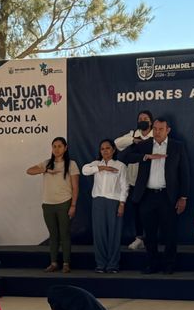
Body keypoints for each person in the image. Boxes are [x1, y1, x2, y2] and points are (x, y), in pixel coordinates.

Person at [119, 118, 190, 274]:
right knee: (149, 233)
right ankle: (152, 264)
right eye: (155, 129)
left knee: (170, 232)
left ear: (168, 130)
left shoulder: (177, 146)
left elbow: (184, 173)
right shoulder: (144, 145)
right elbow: (124, 157)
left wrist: (183, 197)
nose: (157, 132)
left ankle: (169, 264)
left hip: (167, 195)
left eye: (161, 129)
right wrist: (145, 157)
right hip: (147, 195)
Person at [26, 137, 81, 273]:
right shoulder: (47, 163)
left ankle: (66, 263)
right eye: (54, 146)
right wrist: (44, 170)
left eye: (59, 146)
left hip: (64, 202)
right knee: (53, 234)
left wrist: (73, 205)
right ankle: (54, 263)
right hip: (48, 204)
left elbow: (75, 187)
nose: (56, 149)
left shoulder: (71, 164)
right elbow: (29, 171)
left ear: (65, 148)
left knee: (64, 234)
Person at [81, 139, 128, 274]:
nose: (105, 151)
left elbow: (125, 187)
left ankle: (113, 264)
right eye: (102, 149)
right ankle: (101, 264)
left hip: (114, 202)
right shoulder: (96, 164)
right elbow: (84, 170)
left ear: (113, 150)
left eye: (108, 148)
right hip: (98, 203)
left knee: (114, 234)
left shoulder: (120, 166)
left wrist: (122, 204)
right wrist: (103, 168)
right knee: (99, 234)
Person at [114, 110, 154, 250]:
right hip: (133, 180)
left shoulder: (155, 134)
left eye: (146, 118)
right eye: (140, 118)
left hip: (150, 181)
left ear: (151, 121)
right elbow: (117, 143)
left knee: (150, 212)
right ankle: (139, 238)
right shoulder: (133, 134)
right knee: (136, 210)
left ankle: (151, 239)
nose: (143, 120)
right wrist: (133, 140)